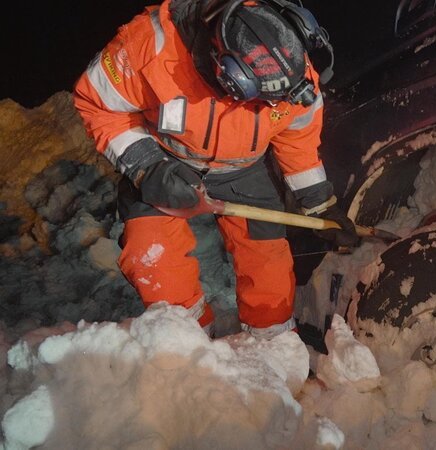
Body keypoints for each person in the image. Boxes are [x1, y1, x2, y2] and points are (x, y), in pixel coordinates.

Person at [73, 0, 358, 338]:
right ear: (227, 73)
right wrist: (147, 168)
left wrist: (320, 205)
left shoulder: (291, 72)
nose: (272, 108)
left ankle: (274, 345)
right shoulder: (150, 45)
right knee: (152, 253)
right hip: (166, 160)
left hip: (244, 169)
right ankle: (189, 341)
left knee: (268, 260)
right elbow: (99, 103)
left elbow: (297, 139)